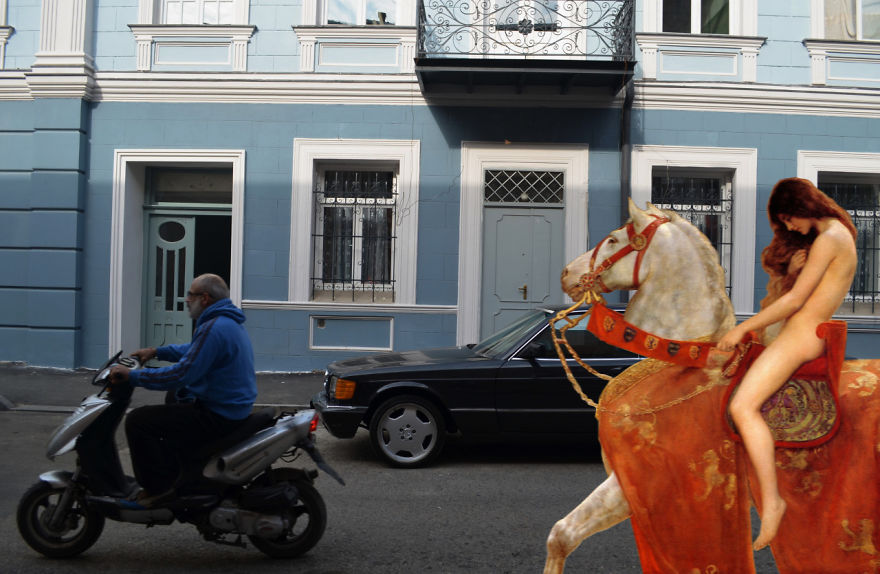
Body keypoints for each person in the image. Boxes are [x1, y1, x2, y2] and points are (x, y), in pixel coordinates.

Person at [717, 177, 857, 550]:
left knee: (743, 406)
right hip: (802, 332)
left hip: (801, 336)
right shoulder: (835, 235)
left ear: (802, 207)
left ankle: (773, 501)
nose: (790, 227)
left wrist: (741, 329)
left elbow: (795, 302)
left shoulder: (830, 237)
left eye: (789, 219)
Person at [110, 273, 257, 507]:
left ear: (205, 298)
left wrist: (133, 376)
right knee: (173, 398)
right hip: (230, 407)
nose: (186, 299)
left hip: (218, 413)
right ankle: (180, 472)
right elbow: (194, 350)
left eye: (190, 294)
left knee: (138, 421)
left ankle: (157, 489)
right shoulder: (224, 322)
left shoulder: (214, 327)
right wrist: (157, 352)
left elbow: (181, 374)